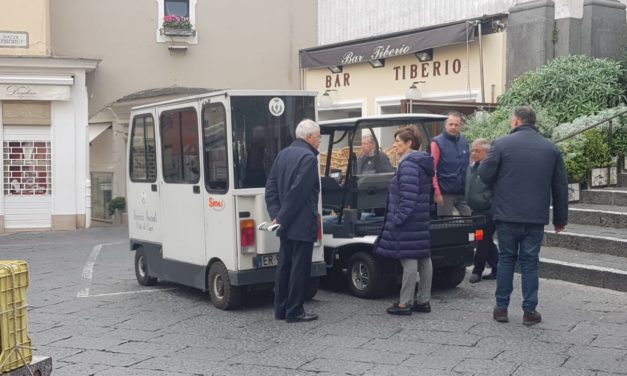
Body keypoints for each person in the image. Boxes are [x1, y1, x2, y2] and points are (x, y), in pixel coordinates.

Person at [479, 106, 568, 326]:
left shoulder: (500, 144)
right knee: (530, 263)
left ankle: (501, 308)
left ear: (517, 121)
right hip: (535, 217)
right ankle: (530, 311)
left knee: (507, 259)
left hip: (507, 215)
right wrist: (560, 218)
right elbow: (560, 187)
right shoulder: (551, 149)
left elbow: (485, 176)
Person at [265, 119, 321, 323]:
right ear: (309, 137)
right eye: (318, 136)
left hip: (284, 223)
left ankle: (280, 309)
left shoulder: (282, 154)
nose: (320, 141)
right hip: (301, 221)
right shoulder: (308, 158)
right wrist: (282, 217)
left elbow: (270, 187)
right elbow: (298, 193)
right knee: (299, 268)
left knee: (284, 266)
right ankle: (295, 310)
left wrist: (276, 216)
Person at [374, 126, 434, 316]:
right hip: (420, 218)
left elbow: (408, 198)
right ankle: (423, 301)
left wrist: (398, 219)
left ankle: (404, 303)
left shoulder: (408, 164)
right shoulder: (421, 162)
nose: (395, 145)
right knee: (424, 258)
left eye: (398, 141)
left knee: (409, 261)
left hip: (408, 221)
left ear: (409, 143)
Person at [465, 138, 498, 283]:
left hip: (487, 212)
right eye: (472, 150)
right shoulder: (473, 166)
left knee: (482, 240)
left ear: (487, 152)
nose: (473, 153)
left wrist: (489, 202)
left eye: (477, 151)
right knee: (484, 240)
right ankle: (498, 267)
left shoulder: (490, 169)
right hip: (476, 211)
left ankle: (477, 270)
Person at [431, 111, 471, 216]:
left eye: (456, 125)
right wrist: (437, 192)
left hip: (462, 192)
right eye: (451, 124)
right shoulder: (437, 142)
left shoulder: (464, 142)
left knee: (470, 220)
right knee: (445, 225)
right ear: (445, 125)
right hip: (445, 193)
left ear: (460, 126)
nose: (453, 127)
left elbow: (469, 167)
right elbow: (432, 170)